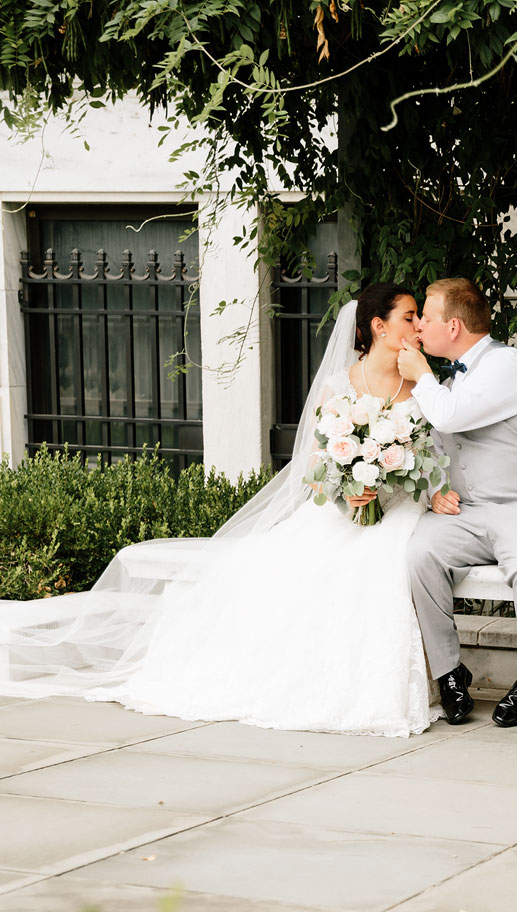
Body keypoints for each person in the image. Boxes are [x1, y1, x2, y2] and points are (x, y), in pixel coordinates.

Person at [0, 285, 452, 738]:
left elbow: (438, 453)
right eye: (410, 317)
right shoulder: (338, 386)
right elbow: (313, 466)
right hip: (344, 508)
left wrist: (431, 491)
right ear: (379, 326)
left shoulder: (422, 383)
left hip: (397, 507)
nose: (418, 325)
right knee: (290, 569)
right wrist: (346, 491)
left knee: (378, 560)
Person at [398, 277, 517, 728]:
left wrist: (419, 374)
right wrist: (435, 490)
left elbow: (450, 416)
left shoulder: (509, 364)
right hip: (470, 514)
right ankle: (450, 672)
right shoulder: (448, 379)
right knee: (418, 554)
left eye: (428, 319)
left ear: (453, 327)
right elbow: (434, 444)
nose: (419, 330)